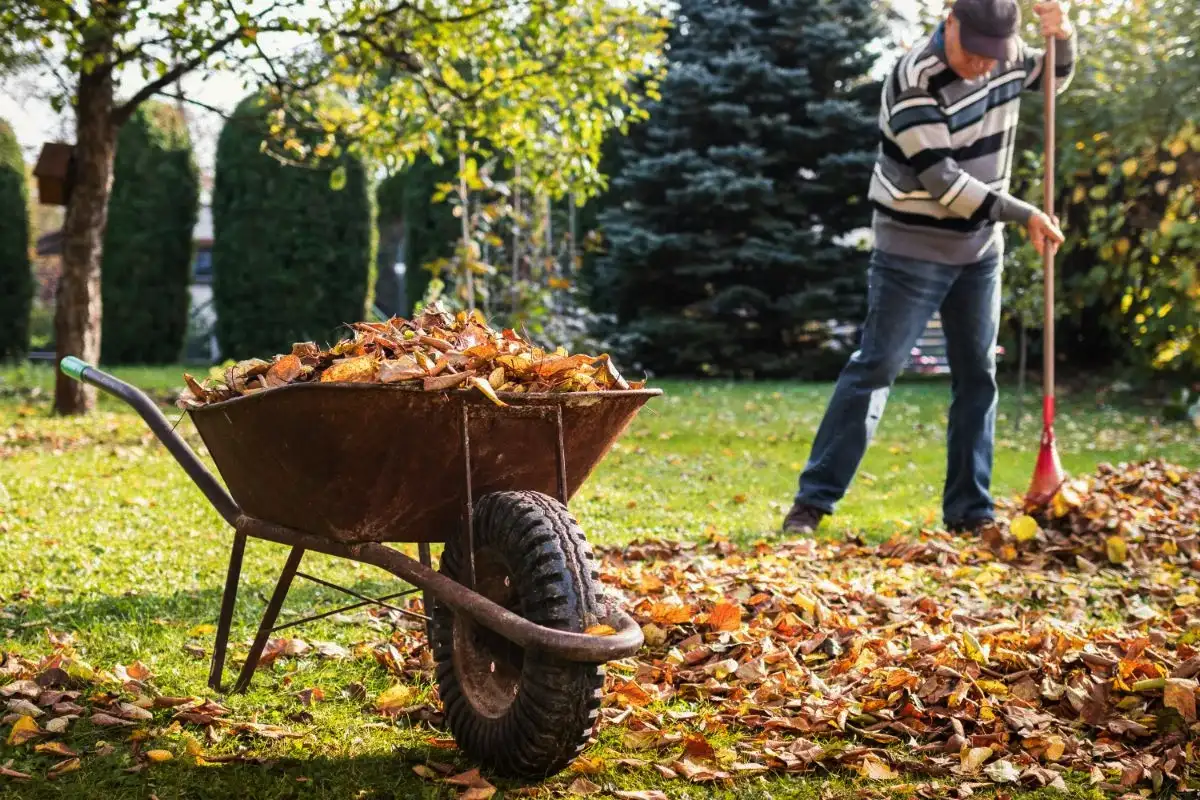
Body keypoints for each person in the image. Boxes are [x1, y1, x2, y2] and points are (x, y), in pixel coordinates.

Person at [782, 0, 1076, 536]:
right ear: (950, 22)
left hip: (979, 251)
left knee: (978, 376)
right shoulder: (913, 77)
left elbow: (1052, 78)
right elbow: (943, 182)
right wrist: (1025, 213)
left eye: (994, 55)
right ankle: (812, 503)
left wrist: (1063, 36)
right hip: (911, 248)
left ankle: (970, 512)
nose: (983, 65)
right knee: (876, 368)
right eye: (975, 52)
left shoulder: (1005, 54)